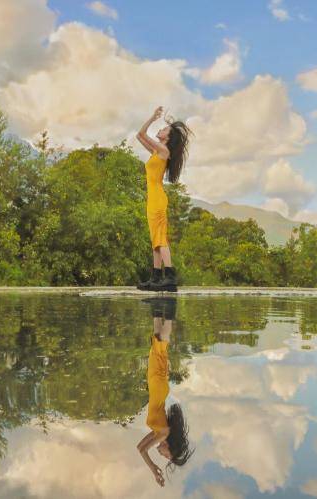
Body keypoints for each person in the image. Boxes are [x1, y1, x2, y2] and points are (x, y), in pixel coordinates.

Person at [136, 298, 193, 486]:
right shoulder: (163, 432)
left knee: (157, 344)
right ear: (172, 450)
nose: (163, 455)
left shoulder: (158, 433)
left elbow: (139, 448)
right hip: (158, 386)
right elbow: (143, 451)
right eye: (167, 456)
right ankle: (169, 307)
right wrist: (153, 470)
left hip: (156, 387)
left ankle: (159, 304)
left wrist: (154, 469)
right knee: (161, 347)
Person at [135, 106, 193, 292]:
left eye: (164, 130)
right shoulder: (156, 152)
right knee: (155, 240)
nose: (160, 130)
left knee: (160, 239)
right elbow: (138, 136)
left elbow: (142, 132)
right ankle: (156, 277)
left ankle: (170, 276)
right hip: (152, 199)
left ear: (167, 137)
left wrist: (153, 117)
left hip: (158, 199)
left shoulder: (163, 150)